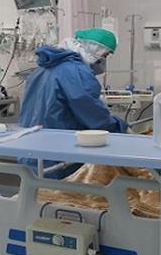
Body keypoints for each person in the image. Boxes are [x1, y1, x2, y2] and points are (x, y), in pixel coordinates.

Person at [18, 27, 129, 179]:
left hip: (30, 150)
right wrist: (120, 128)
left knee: (33, 189)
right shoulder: (76, 72)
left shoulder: (42, 69)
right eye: (105, 55)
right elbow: (93, 115)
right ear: (95, 52)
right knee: (57, 192)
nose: (104, 61)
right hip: (58, 155)